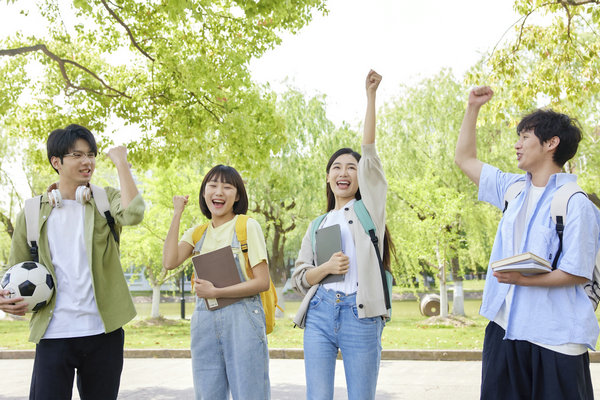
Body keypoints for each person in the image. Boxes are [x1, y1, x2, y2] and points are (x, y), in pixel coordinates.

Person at [454, 86, 600, 399]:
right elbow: (464, 159)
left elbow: (577, 272)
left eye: (524, 137)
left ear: (551, 143)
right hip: (504, 328)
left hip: (556, 338)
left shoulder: (575, 203)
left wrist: (521, 279)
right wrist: (472, 108)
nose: (517, 145)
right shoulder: (512, 189)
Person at [0, 124, 145, 399]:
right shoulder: (32, 211)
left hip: (103, 333)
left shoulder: (105, 200)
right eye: (77, 155)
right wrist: (4, 296)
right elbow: (13, 267)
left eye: (91, 154)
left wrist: (122, 163)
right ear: (57, 161)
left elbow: (135, 213)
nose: (87, 161)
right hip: (54, 333)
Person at [291, 70, 393, 400]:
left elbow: (370, 151)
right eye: (336, 167)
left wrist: (371, 97)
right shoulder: (318, 223)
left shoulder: (370, 211)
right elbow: (300, 279)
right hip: (319, 313)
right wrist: (326, 268)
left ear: (361, 177)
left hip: (359, 315)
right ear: (327, 178)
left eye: (351, 167)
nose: (343, 172)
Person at [162, 164, 271, 400]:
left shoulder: (246, 226)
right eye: (212, 185)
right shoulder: (197, 233)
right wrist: (177, 213)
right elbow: (169, 261)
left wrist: (217, 291)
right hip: (205, 321)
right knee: (207, 394)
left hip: (243, 319)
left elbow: (262, 282)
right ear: (204, 193)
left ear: (237, 195)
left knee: (250, 393)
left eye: (227, 186)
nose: (218, 192)